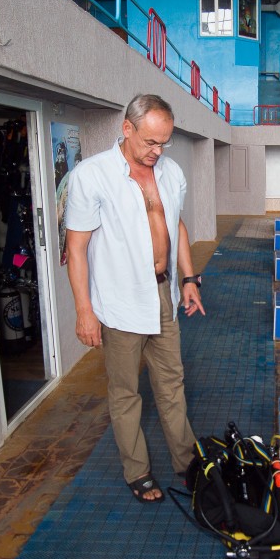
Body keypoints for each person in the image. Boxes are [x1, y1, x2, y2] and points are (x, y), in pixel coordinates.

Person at [65, 94, 205, 504]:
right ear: (127, 129)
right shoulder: (91, 176)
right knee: (126, 392)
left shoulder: (171, 171)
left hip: (162, 294)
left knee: (172, 383)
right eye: (150, 143)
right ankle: (138, 471)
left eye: (164, 143)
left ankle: (187, 463)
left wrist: (188, 278)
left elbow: (175, 223)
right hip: (118, 300)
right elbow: (76, 249)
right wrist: (84, 312)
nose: (157, 152)